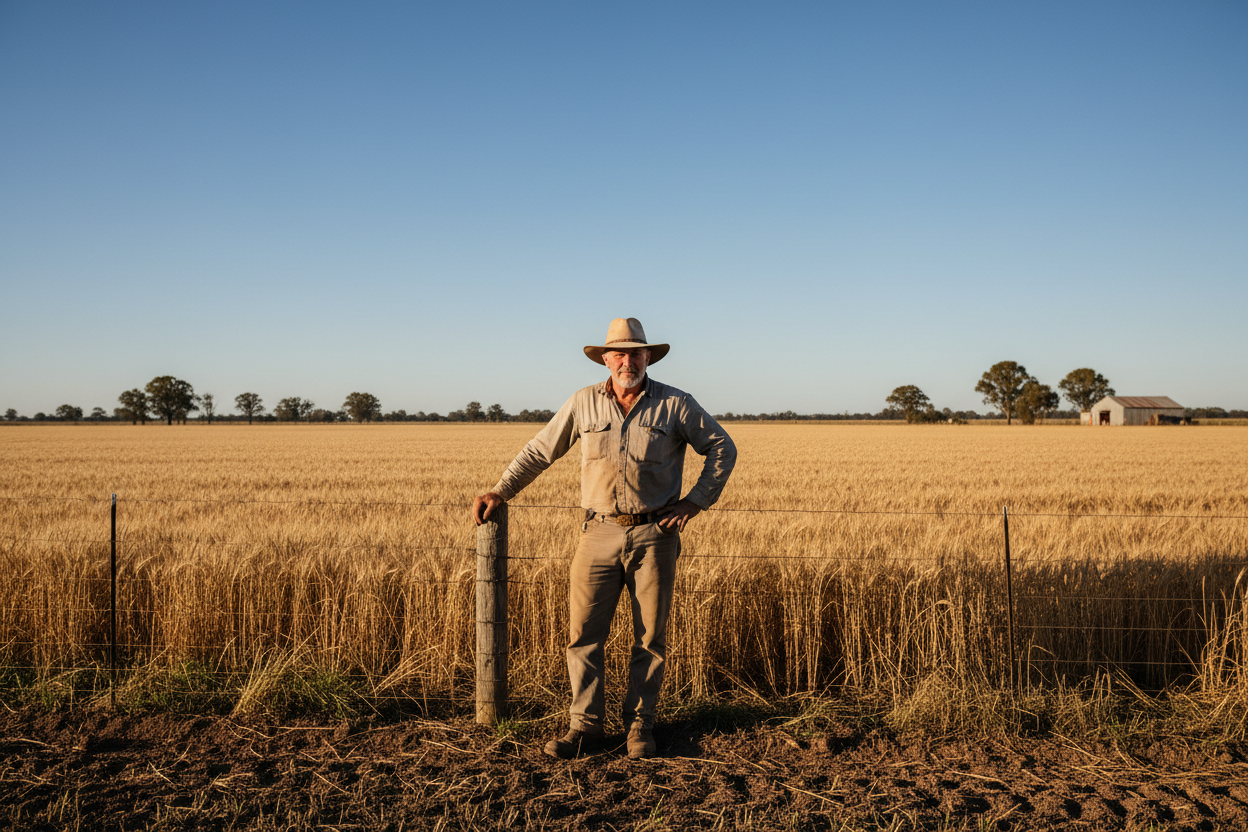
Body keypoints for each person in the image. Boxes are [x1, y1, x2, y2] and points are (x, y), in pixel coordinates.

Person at [473, 317, 736, 760]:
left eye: (636, 352)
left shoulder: (675, 404)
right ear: (606, 358)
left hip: (655, 533)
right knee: (584, 634)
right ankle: (585, 727)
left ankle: (640, 728)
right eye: (619, 353)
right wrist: (501, 489)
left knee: (650, 637)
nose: (628, 360)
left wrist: (695, 502)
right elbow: (542, 450)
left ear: (648, 357)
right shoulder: (583, 403)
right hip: (597, 532)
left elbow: (722, 447)